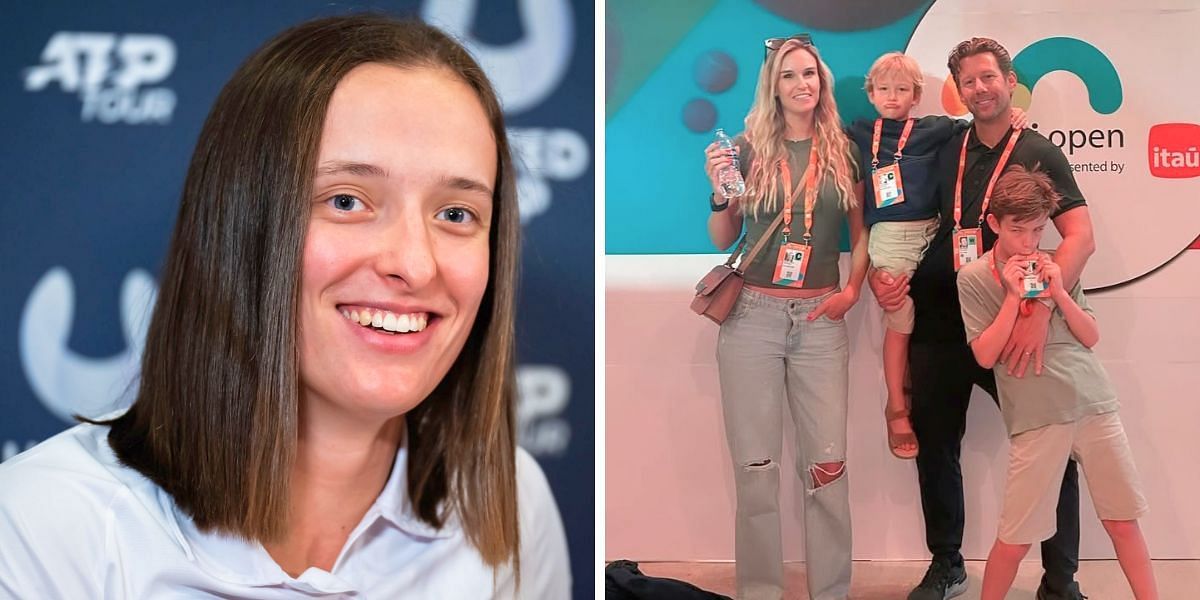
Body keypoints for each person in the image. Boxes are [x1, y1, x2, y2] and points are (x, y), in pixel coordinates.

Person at [0, 15, 569, 598]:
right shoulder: (40, 533)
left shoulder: (511, 505)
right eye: (347, 200)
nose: (416, 265)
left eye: (455, 214)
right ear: (238, 224)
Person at [868, 38, 1096, 600]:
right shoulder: (946, 140)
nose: (981, 88)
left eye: (989, 77)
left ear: (1009, 80)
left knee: (1050, 447)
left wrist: (1038, 306)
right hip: (944, 318)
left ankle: (1060, 580)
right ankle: (946, 565)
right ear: (958, 89)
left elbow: (1081, 236)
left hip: (1012, 318)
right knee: (937, 442)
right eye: (968, 81)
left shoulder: (1039, 149)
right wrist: (883, 268)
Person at [703, 34, 867, 600]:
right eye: (791, 75)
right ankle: (761, 593)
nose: (804, 84)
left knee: (828, 470)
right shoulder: (747, 148)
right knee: (755, 471)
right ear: (773, 86)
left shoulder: (842, 148)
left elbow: (861, 231)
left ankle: (832, 591)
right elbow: (725, 234)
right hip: (753, 316)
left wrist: (852, 291)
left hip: (821, 319)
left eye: (811, 74)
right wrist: (718, 194)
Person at [957, 165, 1155, 600]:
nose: (1029, 241)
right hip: (1037, 417)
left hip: (1094, 403)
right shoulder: (972, 278)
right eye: (1018, 230)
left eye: (1037, 230)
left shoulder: (1053, 265)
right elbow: (985, 355)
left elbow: (1091, 335)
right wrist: (1012, 297)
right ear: (993, 224)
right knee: (1015, 538)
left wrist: (1059, 292)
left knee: (1123, 522)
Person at [846, 52, 1026, 459]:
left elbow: (984, 124)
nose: (892, 97)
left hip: (932, 232)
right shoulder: (859, 132)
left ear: (916, 96)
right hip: (891, 238)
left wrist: (1014, 115)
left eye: (902, 89)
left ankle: (916, 382)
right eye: (884, 89)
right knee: (900, 317)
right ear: (870, 93)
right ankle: (896, 402)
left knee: (928, 306)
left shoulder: (936, 129)